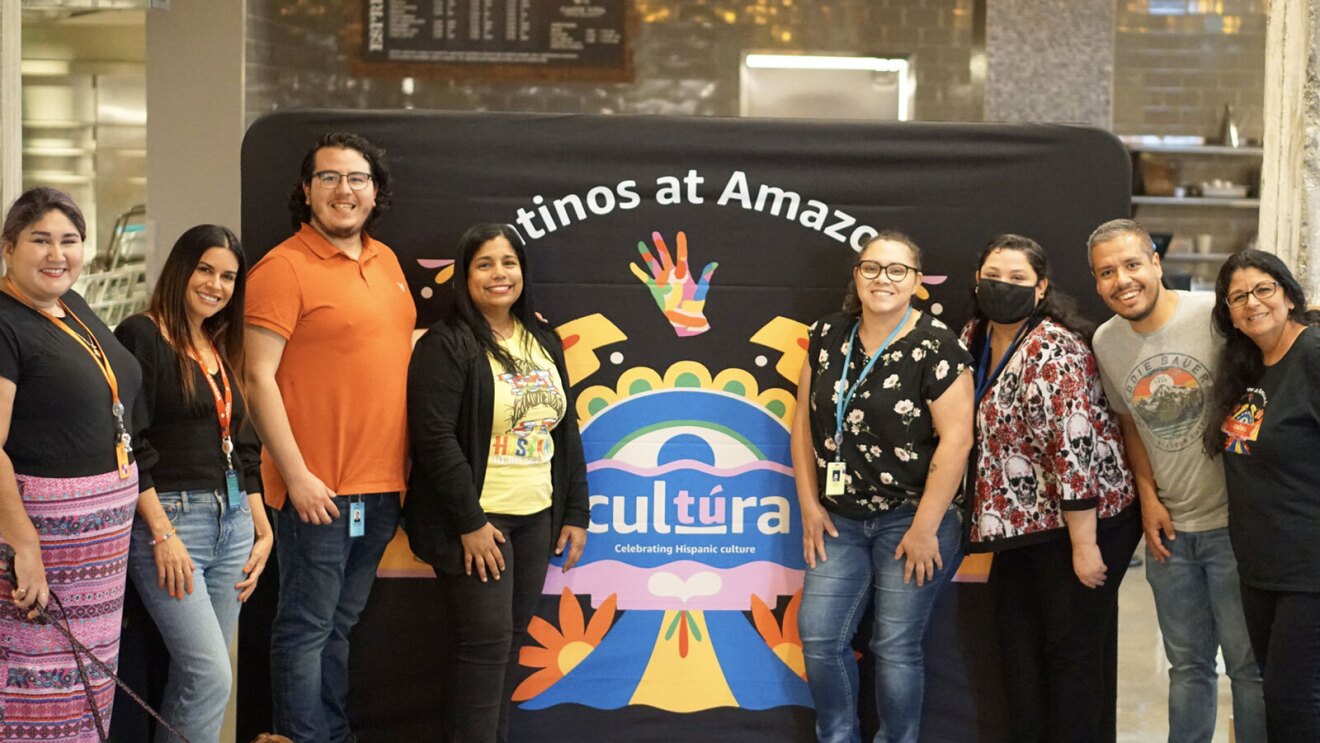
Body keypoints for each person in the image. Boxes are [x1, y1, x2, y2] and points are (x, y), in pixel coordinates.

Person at [245, 132, 417, 742]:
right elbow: (256, 378)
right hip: (317, 490)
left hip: (381, 488)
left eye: (357, 178)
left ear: (375, 191)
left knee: (339, 627)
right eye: (329, 178)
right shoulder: (281, 267)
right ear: (307, 191)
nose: (344, 190)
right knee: (305, 628)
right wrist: (295, 476)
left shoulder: (388, 263)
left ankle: (330, 736)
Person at [404, 223, 588, 743]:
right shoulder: (446, 344)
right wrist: (471, 522)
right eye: (484, 264)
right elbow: (434, 439)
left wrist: (575, 512)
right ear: (464, 277)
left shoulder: (544, 340)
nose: (499, 274)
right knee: (483, 649)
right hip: (479, 522)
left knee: (506, 649)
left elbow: (565, 430)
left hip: (536, 518)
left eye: (508, 262)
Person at [791, 231, 974, 743]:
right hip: (838, 518)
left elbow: (957, 441)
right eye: (872, 268)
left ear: (916, 282)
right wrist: (808, 503)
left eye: (897, 270)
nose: (883, 280)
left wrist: (923, 528)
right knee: (820, 638)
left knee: (894, 645)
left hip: (913, 517)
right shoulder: (827, 335)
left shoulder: (937, 345)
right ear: (856, 275)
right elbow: (803, 423)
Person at [1088, 219, 1263, 743]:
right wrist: (1148, 500)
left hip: (1235, 528)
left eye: (1132, 264)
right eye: (1107, 272)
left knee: (1248, 669)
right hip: (1171, 536)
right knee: (1187, 668)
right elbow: (1130, 425)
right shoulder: (1107, 342)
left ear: (1156, 264)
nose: (1122, 280)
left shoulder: (1213, 313)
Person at [962, 233, 1140, 743]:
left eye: (1018, 278)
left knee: (1071, 657)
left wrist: (1084, 547)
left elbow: (1074, 450)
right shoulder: (974, 334)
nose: (1003, 286)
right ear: (977, 280)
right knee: (1019, 652)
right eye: (994, 275)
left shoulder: (1054, 350)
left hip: (1085, 520)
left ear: (1040, 288)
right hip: (1021, 523)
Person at [114, 224, 274, 742]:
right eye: (205, 269)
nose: (216, 284)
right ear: (182, 268)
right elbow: (129, 443)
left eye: (228, 276)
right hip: (173, 521)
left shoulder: (218, 343)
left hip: (232, 524)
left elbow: (244, 446)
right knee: (209, 675)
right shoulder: (141, 334)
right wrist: (162, 533)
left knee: (200, 674)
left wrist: (261, 524)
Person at [0, 187, 146, 740]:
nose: (56, 253)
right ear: (8, 247)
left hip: (98, 554)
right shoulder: (5, 322)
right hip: (41, 544)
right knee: (36, 695)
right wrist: (25, 545)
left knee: (87, 692)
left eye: (69, 240)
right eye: (40, 240)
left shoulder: (71, 304)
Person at [1209, 249, 1320, 740]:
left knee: (1294, 702)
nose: (1252, 303)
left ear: (1289, 294)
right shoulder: (1248, 368)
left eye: (1262, 289)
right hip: (1259, 567)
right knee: (1278, 697)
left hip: (1308, 569)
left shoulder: (1313, 353)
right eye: (1237, 297)